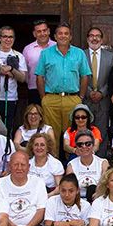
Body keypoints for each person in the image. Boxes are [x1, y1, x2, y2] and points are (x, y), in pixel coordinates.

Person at [36, 22, 92, 157]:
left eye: (66, 33)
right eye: (60, 33)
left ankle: (72, 164)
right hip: (51, 99)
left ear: (70, 36)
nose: (63, 36)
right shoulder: (45, 54)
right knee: (51, 136)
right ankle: (53, 165)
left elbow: (85, 76)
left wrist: (81, 97)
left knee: (73, 134)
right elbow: (40, 76)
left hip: (72, 99)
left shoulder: (79, 53)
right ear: (55, 36)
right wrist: (44, 98)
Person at [83, 26, 113, 156]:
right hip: (86, 98)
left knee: (101, 132)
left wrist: (102, 92)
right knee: (85, 131)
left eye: (97, 36)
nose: (94, 38)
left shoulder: (111, 57)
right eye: (91, 35)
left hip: (104, 100)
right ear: (87, 39)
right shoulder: (81, 55)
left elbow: (112, 78)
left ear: (102, 40)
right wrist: (88, 91)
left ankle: (101, 160)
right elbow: (79, 76)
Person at [0, 25, 27, 137]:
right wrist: (0, 70)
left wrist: (11, 69)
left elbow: (23, 78)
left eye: (11, 37)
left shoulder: (18, 55)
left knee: (8, 128)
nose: (8, 40)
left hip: (11, 97)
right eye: (5, 36)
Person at [66, 128, 109, 202]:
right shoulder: (71, 165)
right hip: (78, 202)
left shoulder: (103, 163)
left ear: (93, 145)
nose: (84, 147)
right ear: (76, 147)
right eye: (80, 144)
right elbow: (70, 188)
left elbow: (105, 185)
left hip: (99, 200)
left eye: (88, 144)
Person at [23, 19, 56, 105]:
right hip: (34, 90)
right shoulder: (28, 49)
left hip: (53, 90)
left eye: (44, 30)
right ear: (34, 34)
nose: (42, 34)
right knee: (35, 116)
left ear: (48, 31)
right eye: (39, 31)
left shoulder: (57, 47)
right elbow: (25, 72)